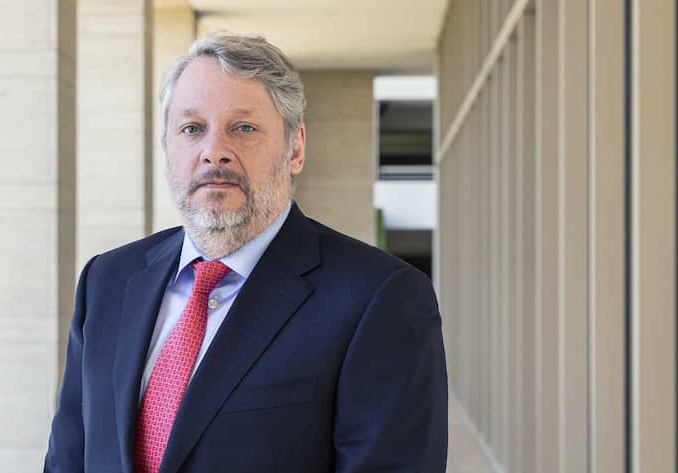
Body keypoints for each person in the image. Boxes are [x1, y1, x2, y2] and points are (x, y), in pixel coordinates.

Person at [43, 34, 448, 473]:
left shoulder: (379, 299)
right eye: (192, 129)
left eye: (243, 128)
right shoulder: (107, 280)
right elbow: (68, 459)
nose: (214, 152)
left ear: (295, 148)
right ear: (167, 147)